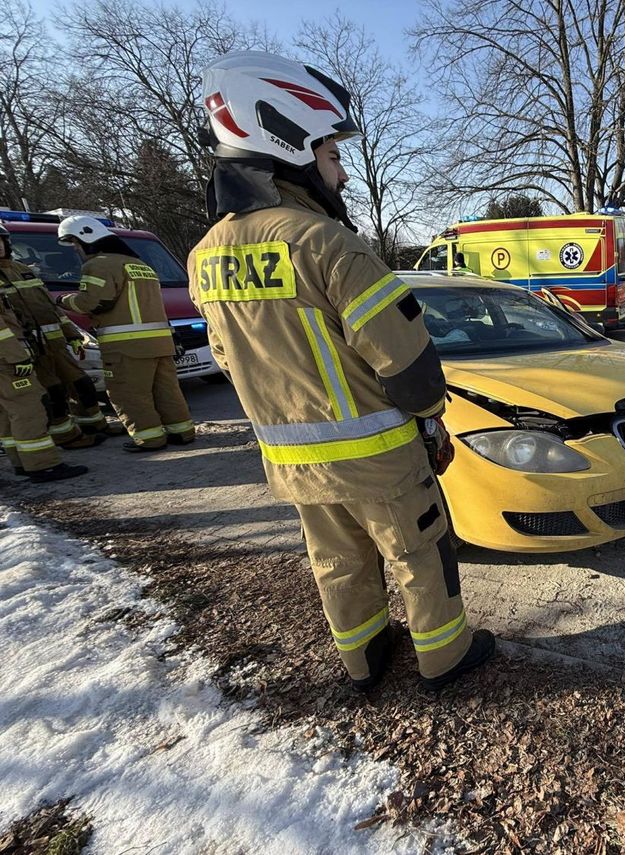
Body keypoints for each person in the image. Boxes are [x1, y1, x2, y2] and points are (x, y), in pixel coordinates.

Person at [191, 51, 494, 692]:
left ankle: (362, 662)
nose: (343, 174)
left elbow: (225, 356)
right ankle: (445, 659)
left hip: (293, 460)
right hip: (380, 456)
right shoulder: (324, 241)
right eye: (332, 155)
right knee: (419, 552)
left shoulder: (204, 255)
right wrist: (432, 421)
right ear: (290, 148)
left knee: (336, 561)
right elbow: (405, 359)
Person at [56, 217, 195, 452]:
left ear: (85, 239)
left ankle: (149, 438)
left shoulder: (98, 265)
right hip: (159, 342)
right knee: (167, 390)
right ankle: (182, 432)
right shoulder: (140, 265)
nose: (76, 250)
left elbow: (93, 301)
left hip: (126, 347)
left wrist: (64, 301)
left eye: (75, 244)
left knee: (129, 394)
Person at [0, 224, 116, 444]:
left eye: (0, 241)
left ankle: (93, 425)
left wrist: (72, 334)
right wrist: (16, 354)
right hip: (29, 349)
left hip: (56, 343)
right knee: (53, 392)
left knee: (81, 384)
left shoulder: (22, 269)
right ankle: (67, 436)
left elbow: (51, 308)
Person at [0, 291, 86, 482]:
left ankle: (22, 462)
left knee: (8, 414)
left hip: (5, 360)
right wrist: (16, 358)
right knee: (29, 410)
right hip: (7, 362)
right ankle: (43, 466)